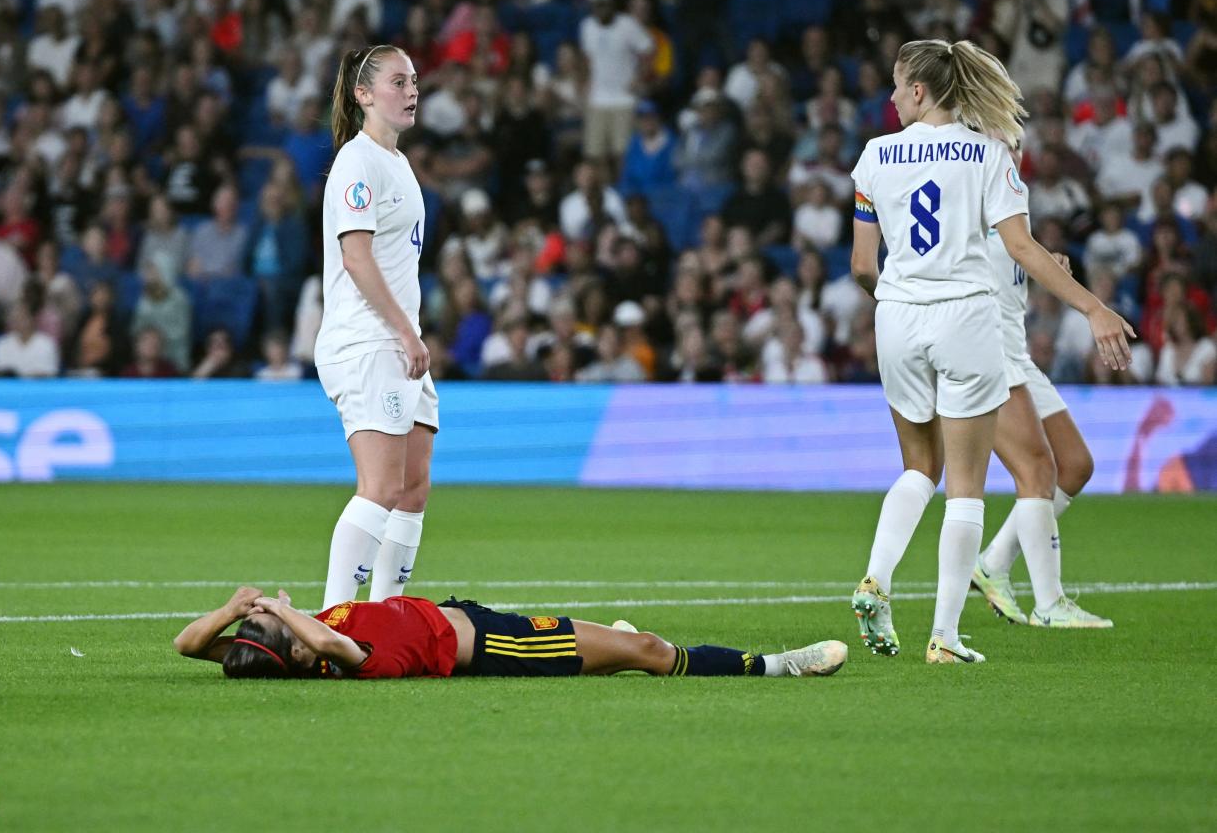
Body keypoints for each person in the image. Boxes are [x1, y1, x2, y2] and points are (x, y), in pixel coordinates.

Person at [848, 39, 1133, 665]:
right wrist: (1093, 307)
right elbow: (1024, 249)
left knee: (918, 467)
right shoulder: (987, 154)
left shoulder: (873, 156)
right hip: (965, 319)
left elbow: (862, 266)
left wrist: (898, 296)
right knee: (967, 487)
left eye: (897, 85)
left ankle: (877, 577)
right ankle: (944, 637)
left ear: (920, 91)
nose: (891, 97)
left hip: (896, 317)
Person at [315, 44, 435, 611]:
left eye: (413, 81)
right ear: (363, 94)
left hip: (399, 341)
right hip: (369, 341)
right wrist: (406, 334)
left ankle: (391, 615)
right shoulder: (355, 161)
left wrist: (408, 335)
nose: (411, 90)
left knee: (412, 489)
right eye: (397, 81)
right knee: (382, 487)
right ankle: (335, 622)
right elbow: (356, 258)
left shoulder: (398, 164)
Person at [174, 586, 848, 680]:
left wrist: (237, 607)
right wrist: (282, 607)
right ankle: (779, 665)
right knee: (647, 653)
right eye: (261, 617)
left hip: (465, 612)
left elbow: (187, 645)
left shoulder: (293, 640)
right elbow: (329, 645)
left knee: (615, 645)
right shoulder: (331, 655)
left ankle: (611, 642)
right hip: (503, 644)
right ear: (284, 638)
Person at [968, 230, 1111, 630]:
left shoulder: (1012, 194)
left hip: (1017, 356)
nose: (1015, 161)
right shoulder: (971, 180)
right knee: (1037, 470)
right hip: (987, 355)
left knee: (1076, 465)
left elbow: (1011, 252)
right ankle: (1049, 604)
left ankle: (992, 562)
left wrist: (1042, 262)